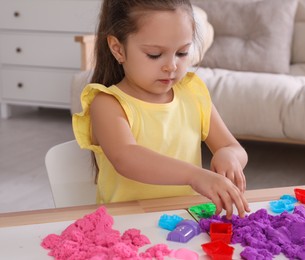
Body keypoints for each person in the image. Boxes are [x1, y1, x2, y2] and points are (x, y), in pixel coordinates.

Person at [73, 0, 250, 219]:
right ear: (118, 49)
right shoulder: (107, 103)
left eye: (182, 53)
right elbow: (127, 158)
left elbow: (232, 146)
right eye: (155, 55)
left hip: (184, 219)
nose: (171, 66)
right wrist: (194, 176)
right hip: (127, 225)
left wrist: (229, 156)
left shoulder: (193, 93)